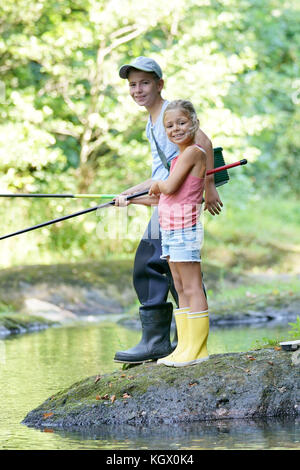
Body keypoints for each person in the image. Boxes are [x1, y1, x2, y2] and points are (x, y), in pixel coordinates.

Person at [113, 57, 222, 364]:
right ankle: (178, 341)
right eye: (132, 85)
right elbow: (161, 173)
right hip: (168, 200)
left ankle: (162, 342)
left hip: (179, 203)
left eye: (144, 83)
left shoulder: (169, 112)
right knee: (168, 268)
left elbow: (202, 143)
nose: (138, 90)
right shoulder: (153, 123)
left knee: (152, 263)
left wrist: (209, 186)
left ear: (159, 84)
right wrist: (130, 194)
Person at [149, 99, 209, 367]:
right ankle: (184, 347)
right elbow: (162, 197)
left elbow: (170, 188)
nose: (175, 129)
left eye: (181, 123)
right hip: (171, 227)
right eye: (169, 125)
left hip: (186, 226)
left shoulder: (193, 153)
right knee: (180, 285)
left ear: (194, 122)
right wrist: (128, 198)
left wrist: (156, 184)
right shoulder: (177, 159)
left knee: (192, 285)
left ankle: (198, 350)